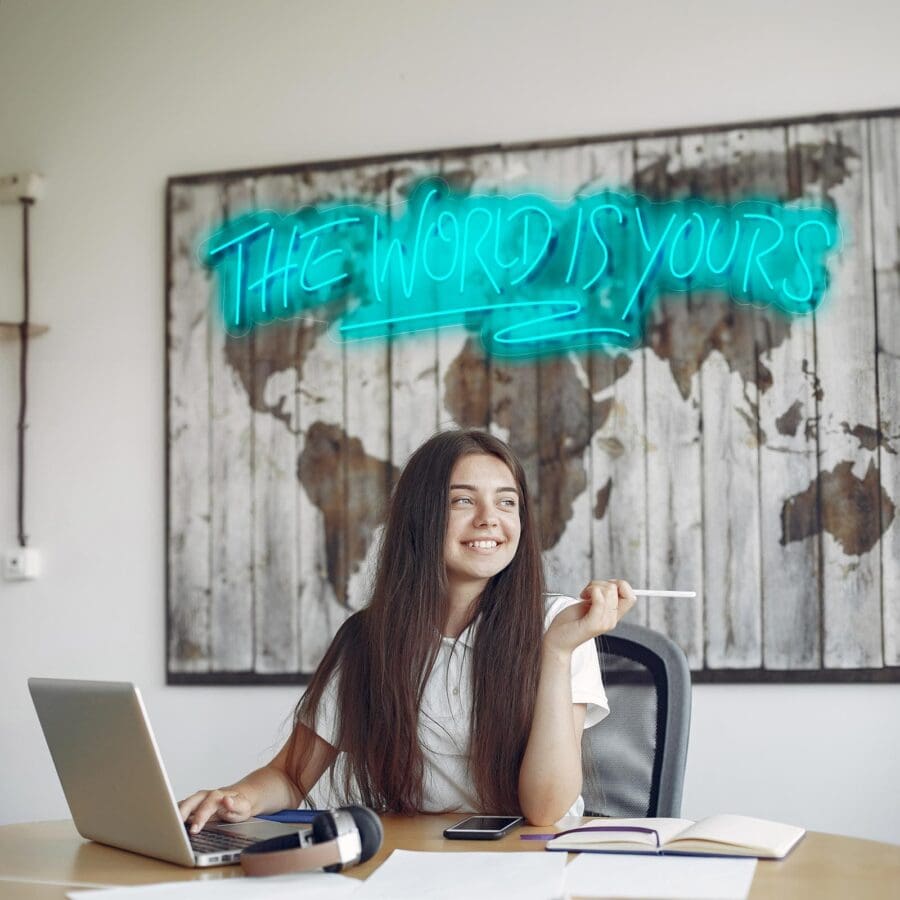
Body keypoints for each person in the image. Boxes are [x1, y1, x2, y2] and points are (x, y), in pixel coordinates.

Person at [179, 429, 635, 829]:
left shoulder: (559, 626)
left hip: (532, 861)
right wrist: (235, 798)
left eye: (506, 501)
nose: (488, 518)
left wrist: (556, 653)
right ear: (421, 516)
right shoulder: (368, 639)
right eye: (462, 500)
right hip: (417, 860)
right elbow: (291, 776)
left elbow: (547, 812)